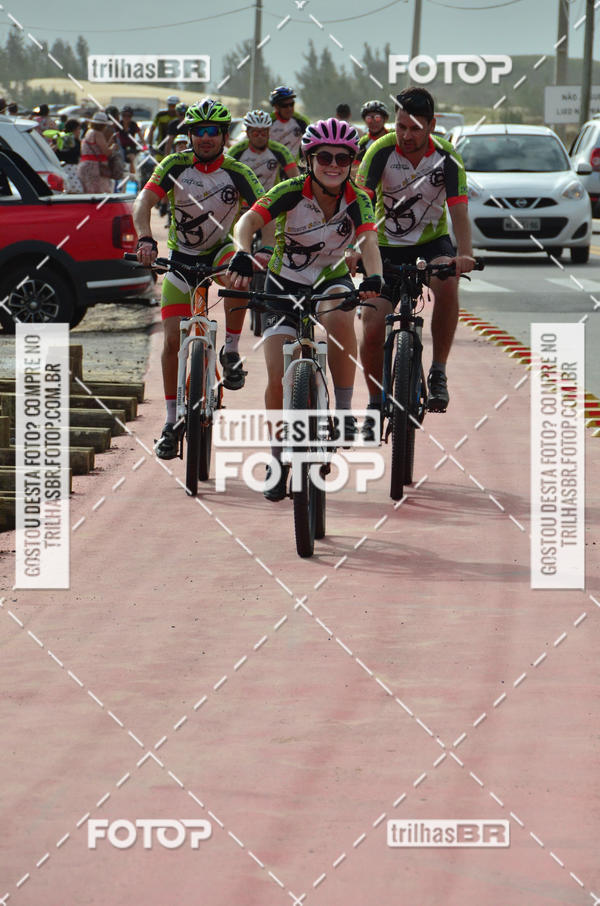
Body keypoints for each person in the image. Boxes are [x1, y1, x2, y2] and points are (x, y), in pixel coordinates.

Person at [229, 117, 383, 501]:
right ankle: (277, 455)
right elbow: (248, 221)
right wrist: (242, 252)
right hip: (284, 282)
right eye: (324, 157)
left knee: (339, 316)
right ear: (308, 159)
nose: (334, 165)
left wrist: (375, 277)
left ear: (352, 162)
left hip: (330, 277)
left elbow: (368, 242)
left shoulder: (358, 199)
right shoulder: (289, 190)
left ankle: (343, 412)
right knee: (276, 376)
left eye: (343, 158)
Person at [133, 98, 266, 460]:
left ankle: (232, 351)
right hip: (181, 257)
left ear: (224, 136)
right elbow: (142, 203)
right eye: (198, 131)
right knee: (171, 340)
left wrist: (264, 250)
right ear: (190, 135)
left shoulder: (238, 171)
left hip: (220, 251)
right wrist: (145, 238)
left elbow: (266, 211)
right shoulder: (175, 165)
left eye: (213, 131)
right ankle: (170, 420)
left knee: (239, 275)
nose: (205, 137)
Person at [355, 86, 474, 433]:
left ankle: (438, 371)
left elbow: (459, 210)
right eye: (401, 126)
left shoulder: (448, 157)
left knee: (448, 284)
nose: (406, 136)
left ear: (432, 125)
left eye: (415, 128)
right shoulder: (380, 150)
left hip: (431, 243)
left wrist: (465, 254)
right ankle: (374, 403)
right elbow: (360, 204)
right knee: (372, 325)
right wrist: (354, 249)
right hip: (384, 245)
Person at [227, 109, 299, 193]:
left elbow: (295, 178)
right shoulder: (236, 151)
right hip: (245, 199)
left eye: (264, 133)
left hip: (271, 197)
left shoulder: (280, 150)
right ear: (248, 133)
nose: (260, 137)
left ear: (269, 133)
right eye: (255, 133)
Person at [268, 87, 310, 161]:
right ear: (276, 107)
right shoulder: (268, 122)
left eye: (291, 104)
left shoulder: (302, 121)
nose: (289, 108)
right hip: (273, 164)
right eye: (285, 105)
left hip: (295, 165)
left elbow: (309, 144)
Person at [77, 111, 114, 193]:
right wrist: (113, 147)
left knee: (88, 192)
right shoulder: (98, 134)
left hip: (85, 165)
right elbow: (106, 152)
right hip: (95, 167)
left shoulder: (88, 133)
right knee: (99, 193)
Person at [54, 118, 83, 193]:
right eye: (78, 129)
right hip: (68, 168)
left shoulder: (69, 139)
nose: (79, 131)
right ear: (73, 130)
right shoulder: (67, 139)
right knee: (75, 189)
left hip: (72, 168)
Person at [147, 95, 180, 162]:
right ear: (168, 105)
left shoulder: (180, 116)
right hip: (161, 145)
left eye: (174, 106)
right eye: (171, 106)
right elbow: (152, 129)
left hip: (176, 145)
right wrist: (150, 145)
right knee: (160, 165)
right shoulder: (160, 115)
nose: (172, 108)